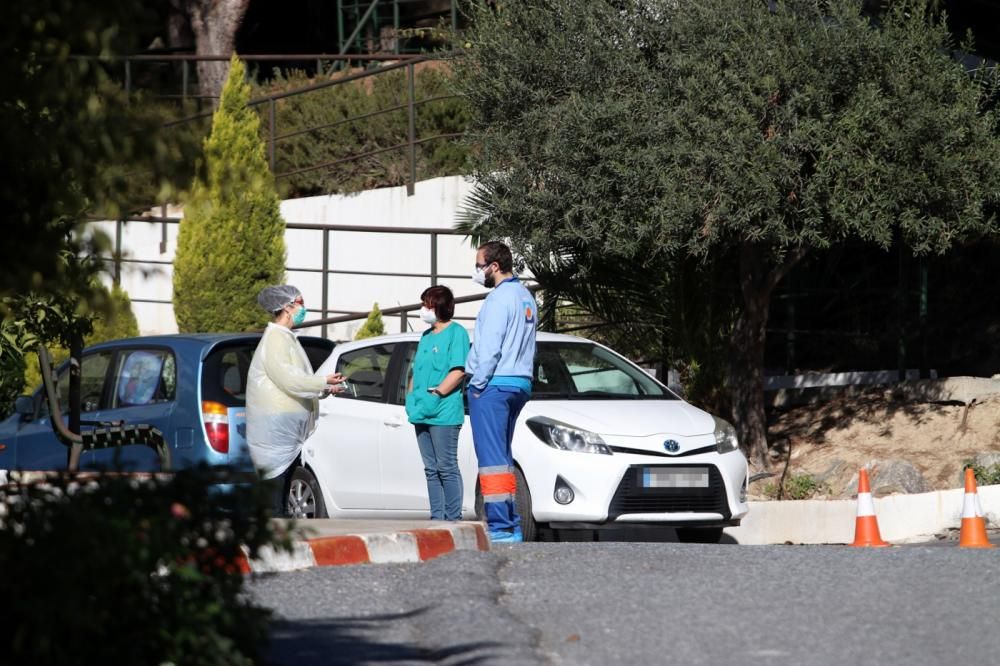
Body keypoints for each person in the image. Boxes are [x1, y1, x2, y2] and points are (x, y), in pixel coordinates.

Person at [246, 285, 344, 516]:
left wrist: (325, 387)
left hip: (286, 435)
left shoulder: (286, 338)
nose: (303, 308)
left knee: (282, 492)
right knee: (275, 496)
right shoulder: (275, 339)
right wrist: (322, 382)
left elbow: (298, 380)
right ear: (287, 307)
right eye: (299, 302)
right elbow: (289, 379)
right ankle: (272, 547)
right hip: (275, 434)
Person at [466, 241, 537, 543]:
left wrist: (477, 383)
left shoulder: (497, 300)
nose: (477, 271)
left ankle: (500, 527)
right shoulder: (527, 297)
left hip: (493, 384)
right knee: (503, 457)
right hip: (519, 382)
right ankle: (511, 524)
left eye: (479, 265)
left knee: (492, 460)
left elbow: (490, 348)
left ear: (494, 267)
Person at [404, 285, 470, 521]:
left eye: (426, 305)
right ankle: (437, 519)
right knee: (431, 469)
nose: (423, 309)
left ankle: (453, 520)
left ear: (439, 306)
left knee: (446, 467)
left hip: (443, 412)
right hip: (421, 411)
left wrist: (438, 394)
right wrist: (411, 399)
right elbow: (415, 371)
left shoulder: (457, 333)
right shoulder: (425, 336)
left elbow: (459, 370)